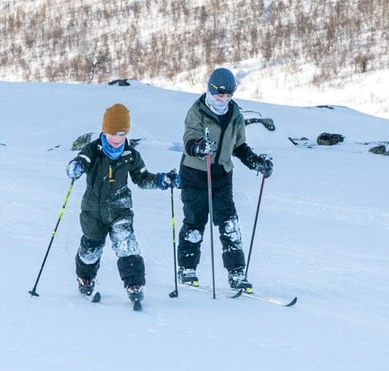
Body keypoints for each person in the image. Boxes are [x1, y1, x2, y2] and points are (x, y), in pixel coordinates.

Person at [66, 104, 178, 306]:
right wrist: (76, 167)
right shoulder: (93, 149)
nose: (117, 139)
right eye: (112, 134)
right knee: (91, 248)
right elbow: (81, 160)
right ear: (105, 130)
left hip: (120, 208)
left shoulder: (131, 155)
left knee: (127, 244)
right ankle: (85, 279)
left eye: (122, 134)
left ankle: (134, 284)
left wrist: (162, 180)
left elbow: (142, 178)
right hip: (93, 210)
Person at [176, 67, 273, 292]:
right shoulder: (197, 111)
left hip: (222, 175)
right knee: (194, 222)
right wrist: (200, 147)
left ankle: (237, 273)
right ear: (211, 91)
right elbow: (189, 140)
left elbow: (239, 146)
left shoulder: (235, 114)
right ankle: (187, 269)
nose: (224, 99)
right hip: (195, 173)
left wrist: (256, 162)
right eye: (220, 95)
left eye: (228, 95)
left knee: (229, 224)